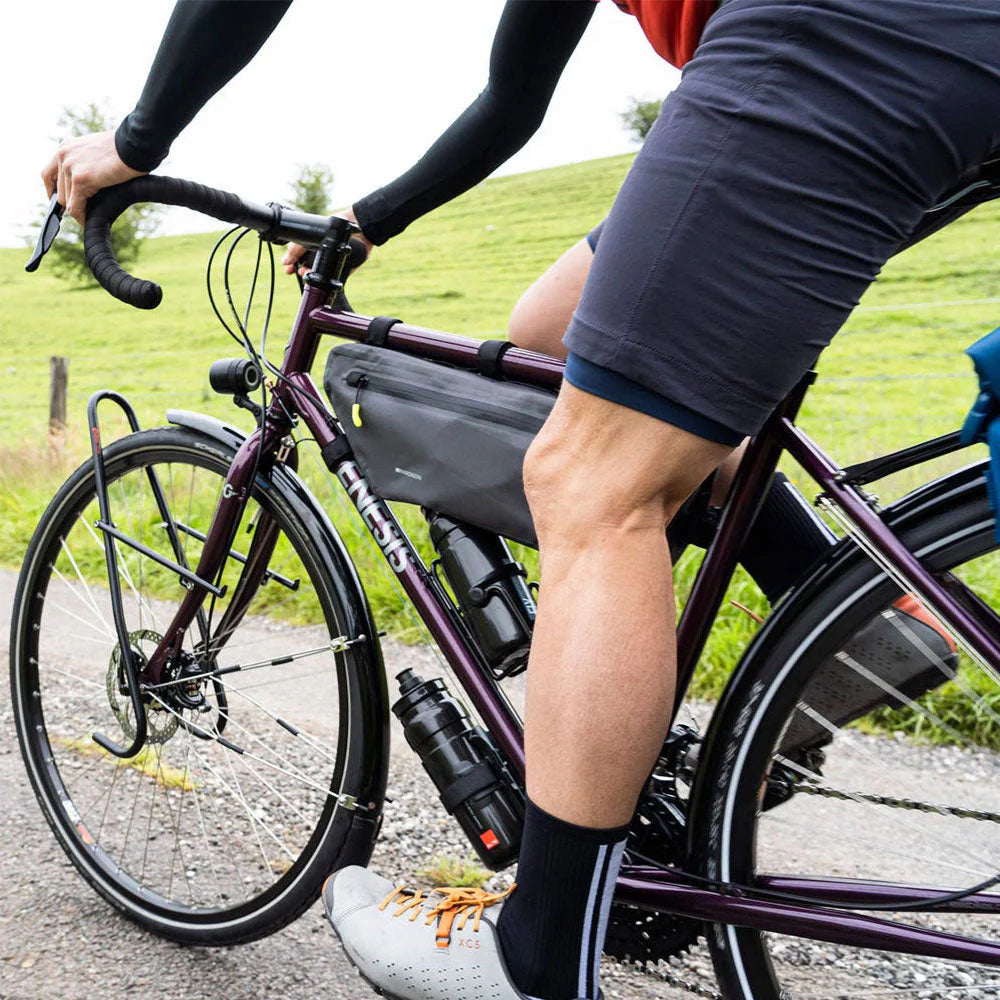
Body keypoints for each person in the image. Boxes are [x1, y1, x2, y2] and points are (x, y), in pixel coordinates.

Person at [43, 2, 998, 999]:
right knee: (548, 335)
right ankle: (849, 627)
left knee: (592, 481)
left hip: (848, 33)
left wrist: (137, 139)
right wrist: (371, 217)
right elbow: (513, 97)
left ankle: (534, 953)